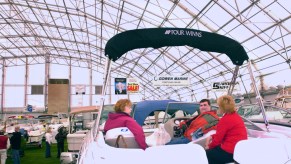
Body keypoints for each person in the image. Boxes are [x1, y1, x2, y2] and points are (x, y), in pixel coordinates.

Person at [205, 95, 247, 164]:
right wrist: (212, 136)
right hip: (239, 150)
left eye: (219, 106)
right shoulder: (236, 116)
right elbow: (225, 134)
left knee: (207, 154)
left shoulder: (225, 120)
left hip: (230, 152)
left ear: (222, 107)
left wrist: (208, 146)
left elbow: (217, 141)